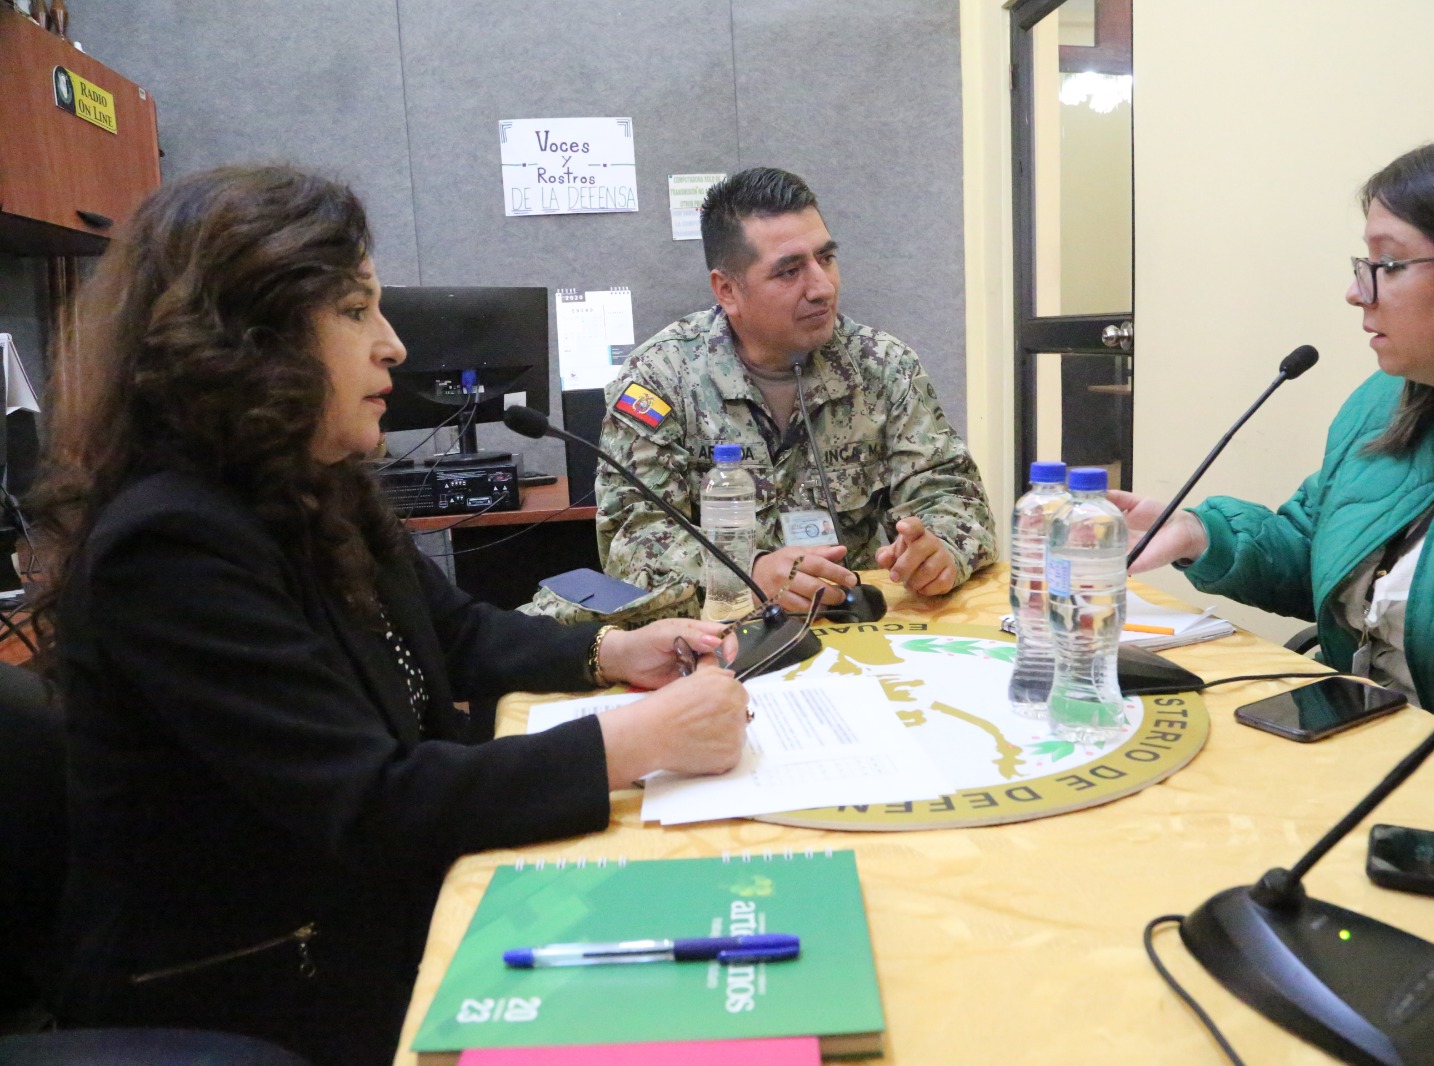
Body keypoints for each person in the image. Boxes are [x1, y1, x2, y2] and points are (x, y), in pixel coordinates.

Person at [28, 165, 750, 1066]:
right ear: (253, 337)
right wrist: (635, 742)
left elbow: (454, 631)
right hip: (255, 984)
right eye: (356, 310)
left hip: (362, 915)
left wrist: (611, 651)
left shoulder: (309, 480)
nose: (395, 346)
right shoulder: (171, 545)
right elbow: (369, 805)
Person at [1116, 131, 1434, 789]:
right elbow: (1324, 557)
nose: (1355, 292)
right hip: (1357, 754)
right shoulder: (1383, 403)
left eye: (1389, 264)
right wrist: (1203, 535)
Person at [594, 167, 996, 614]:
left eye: (826, 258)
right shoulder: (659, 378)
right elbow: (631, 540)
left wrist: (939, 549)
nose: (822, 288)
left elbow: (954, 496)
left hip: (853, 624)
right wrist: (747, 575)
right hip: (719, 633)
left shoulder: (883, 366)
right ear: (728, 290)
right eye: (789, 271)